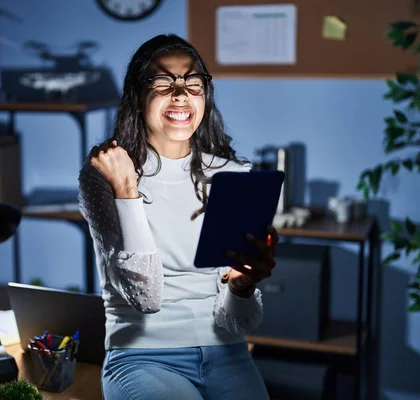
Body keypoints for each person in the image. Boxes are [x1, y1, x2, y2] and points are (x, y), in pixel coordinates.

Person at [78, 34, 278, 400]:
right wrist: (127, 187)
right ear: (138, 96)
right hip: (141, 358)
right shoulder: (104, 173)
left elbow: (236, 318)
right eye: (163, 82)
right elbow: (146, 296)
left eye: (192, 82)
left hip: (227, 352)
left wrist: (242, 285)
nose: (181, 93)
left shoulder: (232, 174)